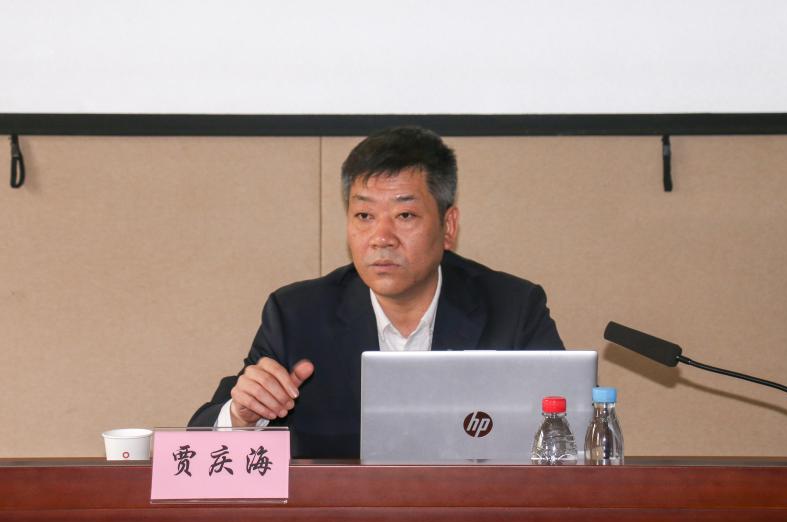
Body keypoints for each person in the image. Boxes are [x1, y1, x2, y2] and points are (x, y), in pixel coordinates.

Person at [189, 126, 564, 458]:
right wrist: (242, 418)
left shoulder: (513, 309)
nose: (381, 238)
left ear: (448, 226)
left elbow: (567, 435)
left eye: (405, 216)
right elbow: (200, 446)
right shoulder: (297, 316)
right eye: (364, 216)